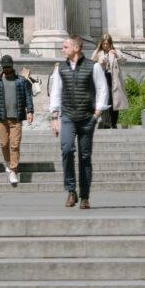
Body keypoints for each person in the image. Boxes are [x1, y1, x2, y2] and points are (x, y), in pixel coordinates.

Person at [48, 34, 109, 208]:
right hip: (67, 116)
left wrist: (96, 114)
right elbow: (56, 92)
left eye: (65, 46)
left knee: (85, 156)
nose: (62, 49)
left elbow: (102, 89)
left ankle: (84, 196)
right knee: (67, 149)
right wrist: (54, 117)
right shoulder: (61, 69)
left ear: (76, 48)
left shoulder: (93, 67)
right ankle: (71, 190)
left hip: (86, 117)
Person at [0, 53, 34, 186]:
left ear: (12, 66)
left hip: (16, 118)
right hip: (1, 118)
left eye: (8, 67)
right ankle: (8, 161)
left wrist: (30, 111)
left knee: (15, 144)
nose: (6, 69)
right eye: (4, 67)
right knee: (4, 144)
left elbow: (28, 96)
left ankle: (13, 170)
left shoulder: (21, 80)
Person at [93, 35, 128, 129]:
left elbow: (124, 61)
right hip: (102, 78)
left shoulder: (115, 51)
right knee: (105, 99)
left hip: (113, 79)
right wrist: (100, 64)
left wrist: (116, 55)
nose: (105, 45)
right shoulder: (98, 53)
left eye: (107, 43)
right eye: (104, 43)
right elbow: (92, 65)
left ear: (110, 43)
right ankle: (105, 122)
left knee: (114, 100)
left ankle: (113, 122)